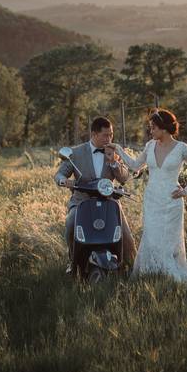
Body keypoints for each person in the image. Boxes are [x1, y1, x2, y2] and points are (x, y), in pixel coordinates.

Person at [112, 108, 187, 282]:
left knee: (169, 239)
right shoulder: (150, 146)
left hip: (172, 201)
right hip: (152, 200)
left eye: (153, 127)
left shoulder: (181, 148)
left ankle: (169, 274)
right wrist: (118, 149)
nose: (151, 131)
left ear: (163, 128)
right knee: (152, 235)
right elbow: (134, 165)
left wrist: (186, 191)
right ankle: (152, 272)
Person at [54, 117, 136, 273]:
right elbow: (59, 174)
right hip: (81, 201)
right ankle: (73, 262)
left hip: (109, 201)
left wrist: (113, 162)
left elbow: (124, 177)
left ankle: (131, 269)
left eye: (111, 135)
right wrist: (64, 181)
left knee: (125, 235)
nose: (109, 139)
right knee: (71, 224)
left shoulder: (113, 151)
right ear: (93, 134)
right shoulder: (76, 152)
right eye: (105, 135)